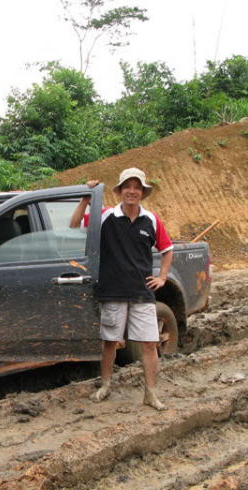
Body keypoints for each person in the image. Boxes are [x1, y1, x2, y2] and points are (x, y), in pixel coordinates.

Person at [69, 167, 173, 410]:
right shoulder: (105, 216)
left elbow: (168, 250)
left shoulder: (152, 220)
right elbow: (74, 224)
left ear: (143, 192)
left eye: (137, 187)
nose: (132, 191)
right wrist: (87, 198)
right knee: (110, 342)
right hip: (113, 291)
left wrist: (163, 277)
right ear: (121, 190)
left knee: (148, 343)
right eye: (128, 186)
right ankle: (105, 385)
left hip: (142, 292)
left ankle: (150, 393)